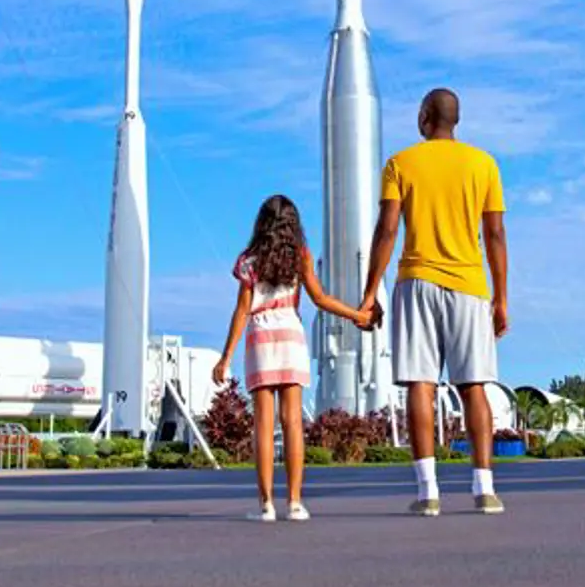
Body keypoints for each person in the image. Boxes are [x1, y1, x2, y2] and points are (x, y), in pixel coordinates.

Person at [357, 87, 508, 517]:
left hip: (417, 280)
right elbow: (495, 234)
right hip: (470, 284)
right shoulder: (484, 164)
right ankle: (485, 489)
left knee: (420, 385)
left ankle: (428, 493)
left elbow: (386, 231)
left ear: (425, 116)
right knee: (474, 385)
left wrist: (370, 292)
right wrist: (501, 298)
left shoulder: (400, 163)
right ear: (455, 120)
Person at [213, 194, 371, 522]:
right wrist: (355, 314)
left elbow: (242, 310)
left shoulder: (248, 261)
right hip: (291, 336)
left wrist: (225, 357)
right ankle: (295, 503)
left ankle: (266, 504)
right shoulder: (300, 257)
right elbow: (320, 298)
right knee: (293, 422)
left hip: (261, 338)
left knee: (263, 424)